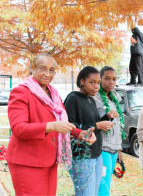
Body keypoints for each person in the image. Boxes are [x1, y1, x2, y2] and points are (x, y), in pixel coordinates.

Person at [6, 53, 95, 196]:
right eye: (43, 68)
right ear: (32, 68)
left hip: (49, 160)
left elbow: (62, 123)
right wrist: (52, 126)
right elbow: (18, 128)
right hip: (27, 162)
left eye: (52, 70)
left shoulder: (53, 94)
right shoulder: (21, 92)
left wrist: (80, 133)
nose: (48, 74)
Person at [64, 66, 115, 196]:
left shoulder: (91, 100)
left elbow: (93, 123)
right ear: (82, 81)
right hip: (82, 156)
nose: (96, 86)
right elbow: (70, 127)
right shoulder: (72, 99)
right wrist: (98, 125)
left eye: (98, 83)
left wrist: (107, 117)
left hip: (97, 155)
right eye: (92, 82)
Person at [92, 66, 125, 196]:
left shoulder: (115, 97)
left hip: (114, 149)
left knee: (107, 185)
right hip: (103, 148)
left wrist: (120, 150)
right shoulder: (95, 97)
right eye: (107, 79)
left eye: (114, 79)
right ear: (100, 79)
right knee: (103, 188)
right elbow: (93, 121)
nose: (111, 82)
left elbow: (118, 125)